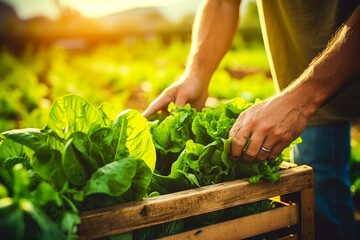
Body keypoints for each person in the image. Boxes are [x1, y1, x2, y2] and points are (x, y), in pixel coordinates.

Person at [143, 1, 360, 239]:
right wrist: (196, 74)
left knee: (324, 204)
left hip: (340, 76)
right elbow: (223, 3)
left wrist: (302, 98)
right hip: (310, 85)